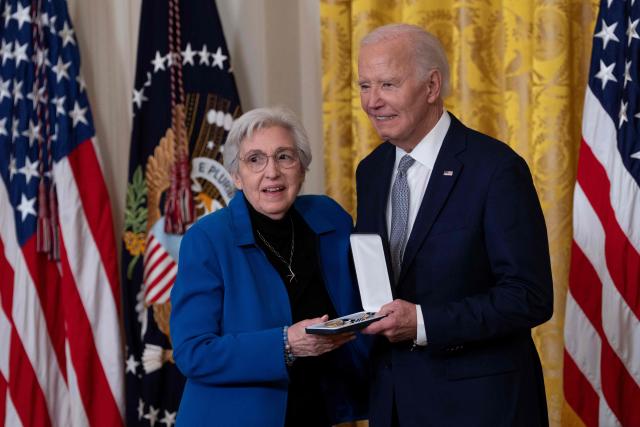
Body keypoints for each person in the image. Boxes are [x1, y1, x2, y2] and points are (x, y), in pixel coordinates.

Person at [355, 24, 553, 426]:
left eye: (388, 84)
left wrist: (423, 323)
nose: (373, 102)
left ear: (431, 86)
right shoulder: (371, 171)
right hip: (393, 403)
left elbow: (528, 296)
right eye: (364, 86)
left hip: (479, 407)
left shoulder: (495, 169)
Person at [170, 106, 368, 426]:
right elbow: (193, 351)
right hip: (233, 417)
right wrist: (286, 344)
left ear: (302, 167)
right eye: (255, 160)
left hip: (316, 409)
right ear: (236, 176)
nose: (272, 172)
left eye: (284, 156)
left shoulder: (329, 218)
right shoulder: (207, 240)